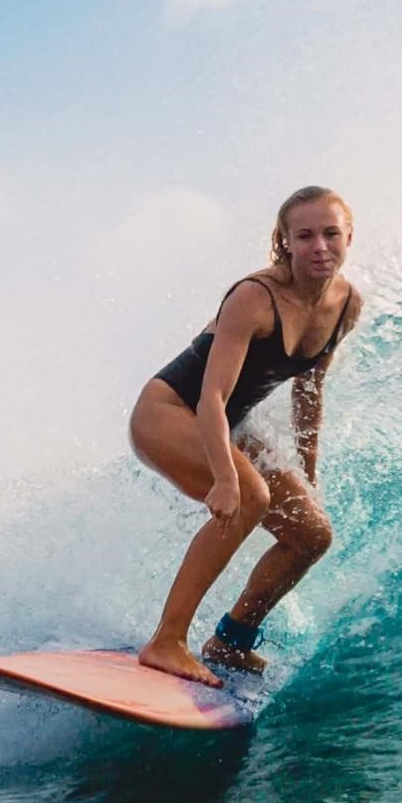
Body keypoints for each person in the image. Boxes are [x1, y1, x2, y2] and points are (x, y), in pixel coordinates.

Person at [129, 186, 361, 685]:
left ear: (349, 237)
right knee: (249, 495)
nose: (319, 246)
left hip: (229, 424)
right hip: (168, 411)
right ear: (284, 242)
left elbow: (309, 396)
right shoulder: (254, 297)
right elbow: (211, 397)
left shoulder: (345, 304)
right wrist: (225, 478)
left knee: (311, 533)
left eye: (330, 234)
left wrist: (309, 475)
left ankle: (232, 640)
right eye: (304, 236)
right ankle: (166, 641)